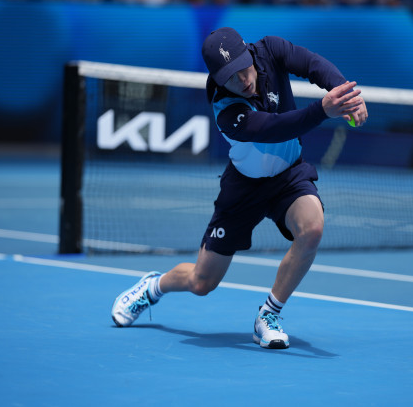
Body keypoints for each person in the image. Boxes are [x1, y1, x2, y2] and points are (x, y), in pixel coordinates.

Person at [111, 27, 368, 349]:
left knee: (312, 229)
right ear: (218, 79)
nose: (243, 81)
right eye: (231, 77)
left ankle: (268, 316)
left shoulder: (271, 50)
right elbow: (273, 129)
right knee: (201, 282)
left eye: (244, 70)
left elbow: (313, 64)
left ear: (248, 53)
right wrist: (322, 110)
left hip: (289, 176)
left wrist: (345, 95)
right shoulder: (225, 107)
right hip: (244, 188)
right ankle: (152, 287)